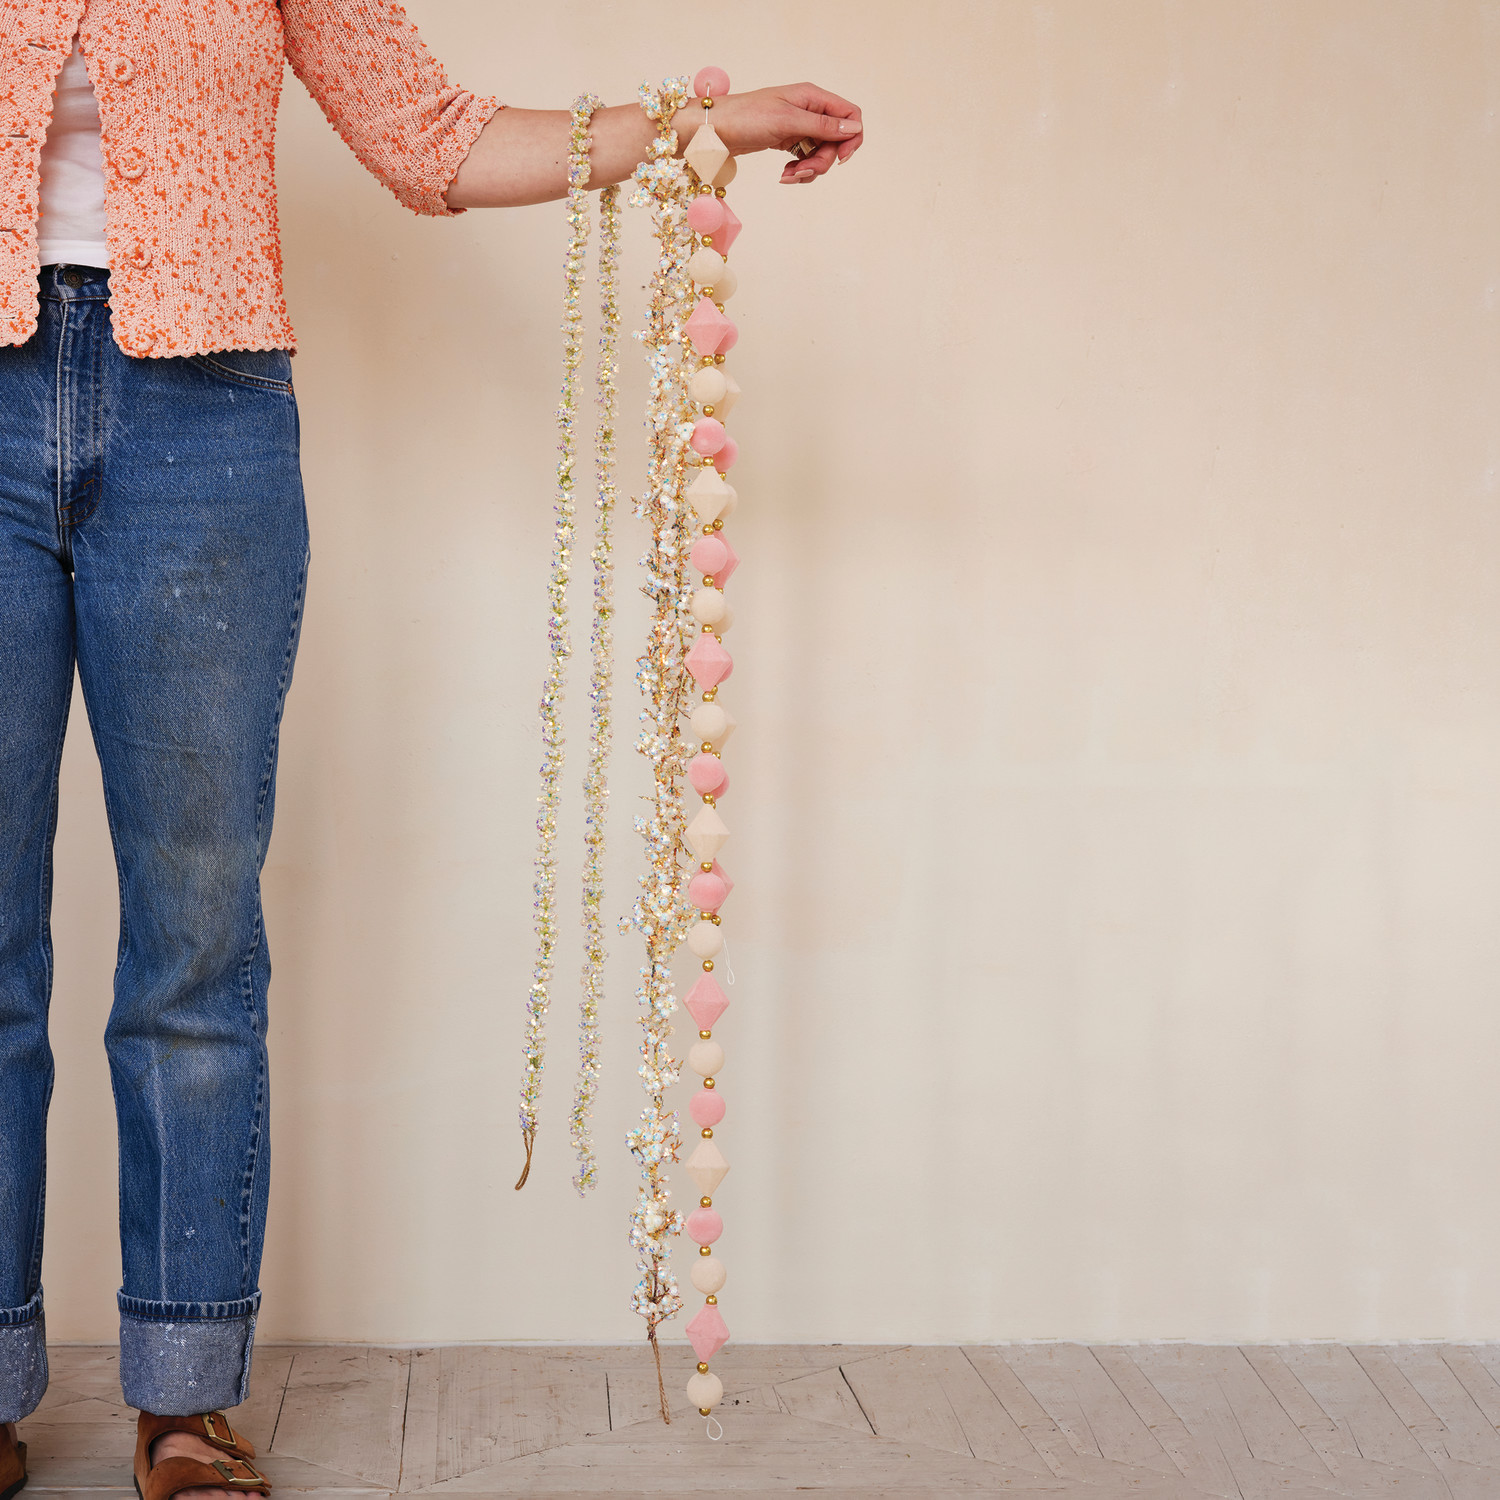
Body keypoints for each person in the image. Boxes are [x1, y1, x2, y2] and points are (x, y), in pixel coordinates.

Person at [0, 3, 863, 1496]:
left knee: (195, 938)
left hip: (200, 423)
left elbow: (432, 139)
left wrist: (695, 127)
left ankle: (185, 1399)